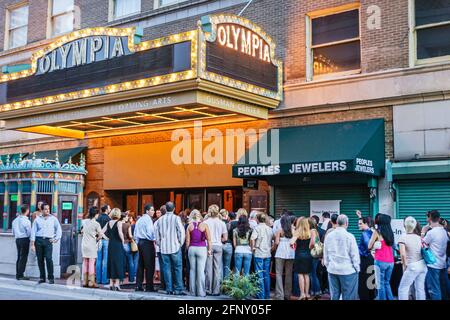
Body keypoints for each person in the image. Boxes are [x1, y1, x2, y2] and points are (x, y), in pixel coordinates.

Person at [323, 214, 360, 300]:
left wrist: (328, 265)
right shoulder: (350, 236)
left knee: (334, 295)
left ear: (336, 222)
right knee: (349, 296)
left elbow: (326, 253)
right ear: (346, 223)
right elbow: (354, 255)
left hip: (332, 270)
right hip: (348, 271)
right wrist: (357, 268)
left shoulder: (329, 236)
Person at [155, 201, 186, 295]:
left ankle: (169, 289)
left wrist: (160, 244)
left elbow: (157, 235)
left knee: (166, 268)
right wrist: (180, 243)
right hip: (175, 247)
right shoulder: (176, 218)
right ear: (174, 209)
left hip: (164, 248)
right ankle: (178, 289)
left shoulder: (160, 220)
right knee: (177, 268)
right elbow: (181, 231)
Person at [30, 203, 62, 284]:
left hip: (48, 241)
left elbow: (59, 229)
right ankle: (42, 277)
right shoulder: (37, 219)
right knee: (40, 260)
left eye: (48, 209)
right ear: (42, 210)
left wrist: (56, 239)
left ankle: (51, 277)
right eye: (45, 209)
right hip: (39, 240)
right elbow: (33, 231)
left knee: (48, 259)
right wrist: (32, 244)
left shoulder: (53, 219)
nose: (47, 210)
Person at [398, 216, 427, 300]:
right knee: (420, 289)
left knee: (403, 289)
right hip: (422, 264)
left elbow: (403, 254)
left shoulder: (403, 237)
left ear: (404, 225)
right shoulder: (419, 237)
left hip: (412, 265)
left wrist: (405, 266)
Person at [368, 213, 395, 300]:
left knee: (380, 284)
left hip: (380, 261)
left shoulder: (377, 232)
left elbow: (369, 246)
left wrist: (374, 245)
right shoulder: (391, 233)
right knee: (387, 283)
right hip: (391, 262)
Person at [423, 210, 448, 300]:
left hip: (433, 264)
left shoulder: (431, 232)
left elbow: (422, 244)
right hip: (442, 264)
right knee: (442, 288)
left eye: (427, 217)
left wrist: (422, 232)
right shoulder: (444, 231)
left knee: (434, 290)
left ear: (429, 218)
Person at [185, 209, 211, 297]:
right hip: (202, 248)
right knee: (201, 271)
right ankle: (201, 292)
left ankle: (192, 292)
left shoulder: (189, 226)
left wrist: (187, 249)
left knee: (192, 270)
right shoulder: (204, 225)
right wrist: (209, 250)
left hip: (192, 248)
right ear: (200, 216)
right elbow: (209, 239)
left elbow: (187, 241)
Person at [203, 204, 227, 295]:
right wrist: (218, 239)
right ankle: (216, 290)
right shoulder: (222, 223)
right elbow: (225, 238)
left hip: (208, 245)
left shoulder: (205, 222)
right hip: (218, 245)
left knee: (208, 268)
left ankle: (208, 289)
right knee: (217, 268)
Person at [290, 217, 316, 300]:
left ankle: (302, 294)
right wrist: (309, 248)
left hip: (299, 255)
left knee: (300, 275)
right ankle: (307, 293)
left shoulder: (297, 232)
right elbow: (312, 243)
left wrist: (294, 246)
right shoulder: (311, 232)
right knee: (307, 275)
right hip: (308, 255)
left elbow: (291, 242)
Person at [250, 212, 273, 299]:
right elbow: (273, 239)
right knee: (266, 274)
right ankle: (267, 295)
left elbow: (252, 239)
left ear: (258, 219)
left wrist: (253, 248)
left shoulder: (257, 228)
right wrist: (272, 248)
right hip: (268, 253)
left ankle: (261, 295)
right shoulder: (269, 228)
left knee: (259, 274)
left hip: (259, 253)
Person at [134, 204, 156, 292]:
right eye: (152, 210)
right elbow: (151, 233)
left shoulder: (140, 220)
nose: (153, 212)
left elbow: (135, 232)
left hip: (140, 243)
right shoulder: (148, 220)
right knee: (149, 265)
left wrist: (137, 242)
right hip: (147, 243)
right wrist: (155, 239)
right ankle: (149, 286)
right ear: (147, 211)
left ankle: (138, 285)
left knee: (140, 265)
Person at [102, 208, 125, 291]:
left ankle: (111, 284)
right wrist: (122, 241)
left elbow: (101, 232)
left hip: (111, 245)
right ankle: (117, 284)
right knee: (118, 263)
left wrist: (107, 238)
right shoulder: (119, 222)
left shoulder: (108, 223)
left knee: (111, 262)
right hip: (118, 244)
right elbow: (120, 232)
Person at [273, 215, 295, 300]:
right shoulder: (293, 230)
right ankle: (287, 294)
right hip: (290, 253)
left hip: (280, 253)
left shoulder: (279, 231)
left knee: (279, 274)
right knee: (289, 274)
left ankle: (279, 295)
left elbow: (277, 242)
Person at [81, 206, 103, 288]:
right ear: (96, 214)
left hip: (84, 244)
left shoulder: (84, 221)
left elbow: (82, 231)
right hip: (92, 245)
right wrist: (97, 238)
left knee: (85, 262)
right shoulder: (96, 224)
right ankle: (91, 282)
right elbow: (100, 235)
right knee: (91, 263)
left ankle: (85, 282)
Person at [357, 215, 375, 300]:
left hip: (365, 260)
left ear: (366, 223)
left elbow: (368, 246)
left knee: (363, 283)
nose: (358, 225)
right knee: (371, 282)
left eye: (360, 224)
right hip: (371, 259)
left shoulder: (365, 233)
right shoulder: (373, 231)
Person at [12, 204, 31, 280]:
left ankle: (18, 274)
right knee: (23, 257)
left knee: (19, 256)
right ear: (27, 211)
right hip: (24, 239)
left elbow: (13, 232)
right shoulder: (27, 221)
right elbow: (29, 232)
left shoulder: (15, 220)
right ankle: (20, 275)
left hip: (17, 239)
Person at [96, 204, 111, 285]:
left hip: (98, 240)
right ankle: (104, 280)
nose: (110, 209)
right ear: (106, 209)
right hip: (106, 240)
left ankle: (98, 279)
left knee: (98, 260)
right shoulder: (108, 219)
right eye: (109, 208)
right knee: (105, 260)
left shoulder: (98, 218)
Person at [220, 209, 233, 280]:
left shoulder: (219, 222)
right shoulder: (229, 224)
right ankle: (226, 285)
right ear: (227, 215)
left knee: (219, 266)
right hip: (228, 244)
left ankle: (219, 284)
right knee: (227, 266)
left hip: (219, 244)